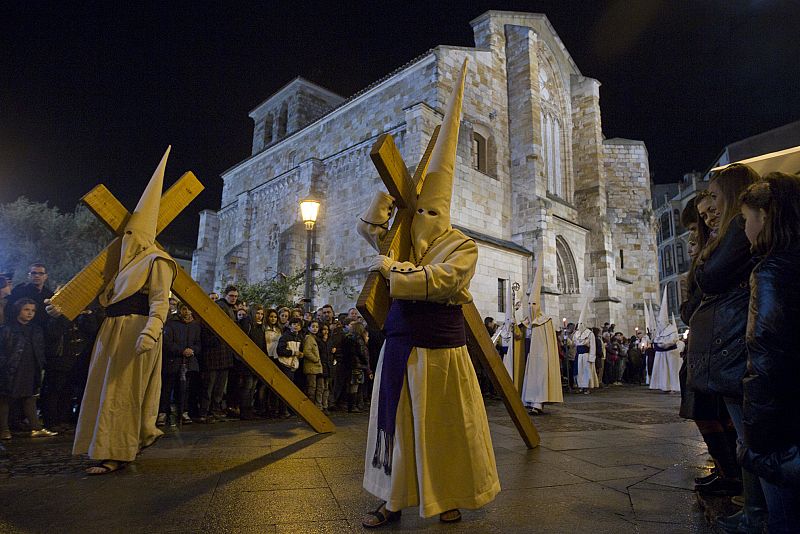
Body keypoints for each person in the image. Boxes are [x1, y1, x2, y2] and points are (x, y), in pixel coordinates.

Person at [357, 60, 499, 528]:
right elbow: (369, 230)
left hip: (441, 354)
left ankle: (449, 495)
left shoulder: (462, 244)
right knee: (395, 423)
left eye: (433, 209)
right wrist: (390, 197)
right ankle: (392, 499)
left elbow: (445, 282)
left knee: (444, 428)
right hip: (402, 347)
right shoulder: (401, 236)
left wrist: (397, 274)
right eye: (421, 209)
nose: (425, 217)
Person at [52, 149, 177, 474]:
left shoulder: (157, 261)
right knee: (103, 391)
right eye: (126, 235)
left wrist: (151, 330)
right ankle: (102, 445)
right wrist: (62, 306)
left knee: (123, 394)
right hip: (112, 332)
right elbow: (103, 299)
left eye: (134, 234)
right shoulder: (120, 269)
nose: (128, 240)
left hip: (136, 331)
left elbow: (160, 300)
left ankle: (117, 453)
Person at [686, 163, 765, 532]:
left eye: (715, 199)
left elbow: (710, 277)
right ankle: (753, 505)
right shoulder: (733, 231)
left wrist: (701, 263)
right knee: (745, 430)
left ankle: (757, 511)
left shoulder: (737, 231)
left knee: (749, 433)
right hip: (727, 345)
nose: (710, 211)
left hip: (733, 346)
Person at [736, 173, 800, 533]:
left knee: (785, 518)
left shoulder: (771, 272)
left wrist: (755, 433)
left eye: (746, 220)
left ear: (766, 217)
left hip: (782, 421)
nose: (745, 231)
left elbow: (765, 357)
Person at [678, 196, 741, 498]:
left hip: (715, 344)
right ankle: (727, 469)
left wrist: (686, 304)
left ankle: (732, 473)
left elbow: (702, 297)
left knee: (715, 410)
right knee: (708, 410)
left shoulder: (716, 252)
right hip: (708, 344)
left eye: (696, 225)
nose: (694, 233)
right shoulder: (711, 252)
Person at [0, 298, 57, 440]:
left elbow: (39, 348)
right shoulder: (7, 329)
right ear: (18, 310)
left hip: (30, 366)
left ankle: (36, 427)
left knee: (30, 397)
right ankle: (4, 429)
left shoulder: (36, 329)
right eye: (26, 309)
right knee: (5, 398)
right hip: (12, 367)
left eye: (32, 310)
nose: (30, 313)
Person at [520, 259, 562, 414]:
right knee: (531, 377)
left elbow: (549, 342)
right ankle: (530, 400)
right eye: (529, 304)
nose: (531, 308)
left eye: (534, 305)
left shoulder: (545, 320)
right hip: (532, 355)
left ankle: (539, 402)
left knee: (541, 379)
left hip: (543, 356)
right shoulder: (527, 321)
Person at [159, 303, 200, 426]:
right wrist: (182, 350)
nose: (187, 312)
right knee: (167, 388)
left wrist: (192, 350)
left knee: (185, 390)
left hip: (188, 363)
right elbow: (167, 343)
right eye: (184, 309)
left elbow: (198, 343)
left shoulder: (195, 326)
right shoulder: (171, 324)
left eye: (189, 309)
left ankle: (183, 411)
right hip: (173, 362)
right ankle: (163, 412)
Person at [275, 317, 304, 418]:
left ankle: (288, 409)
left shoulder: (299, 338)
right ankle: (283, 411)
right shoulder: (285, 337)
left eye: (298, 325)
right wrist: (293, 353)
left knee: (290, 389)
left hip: (293, 365)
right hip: (285, 364)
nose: (296, 326)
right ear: (290, 325)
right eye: (294, 324)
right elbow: (280, 351)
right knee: (285, 388)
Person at [302, 320, 325, 410]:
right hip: (312, 366)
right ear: (309, 328)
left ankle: (318, 406)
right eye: (313, 326)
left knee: (320, 387)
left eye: (316, 327)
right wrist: (316, 359)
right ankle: (311, 407)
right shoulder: (309, 338)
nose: (315, 328)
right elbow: (306, 351)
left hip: (318, 367)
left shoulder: (316, 338)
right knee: (312, 387)